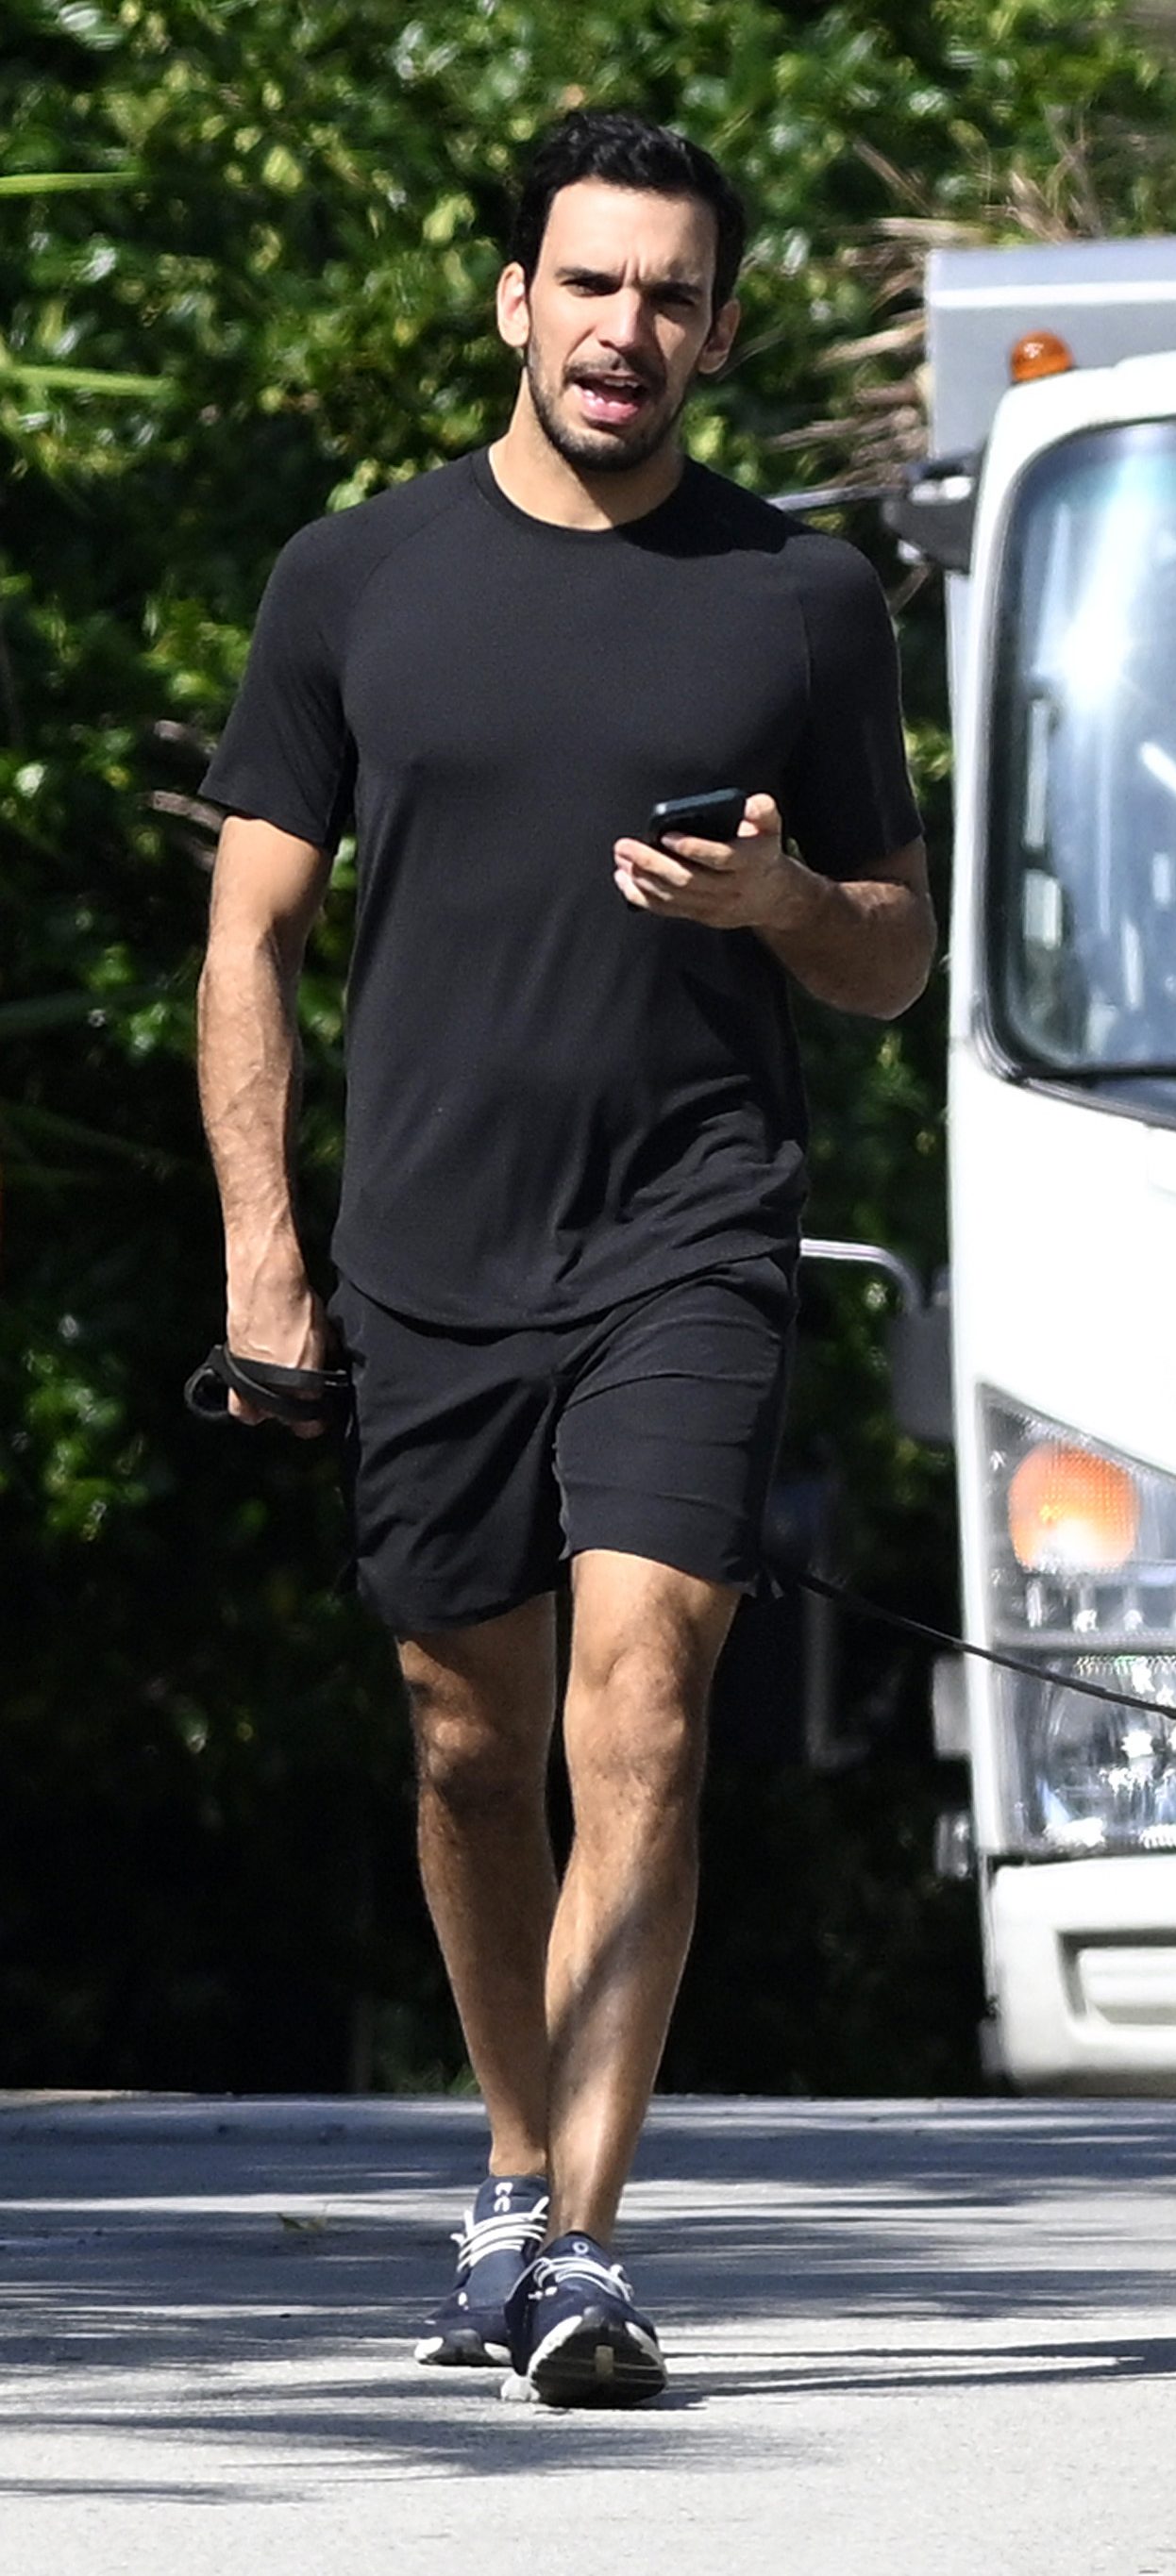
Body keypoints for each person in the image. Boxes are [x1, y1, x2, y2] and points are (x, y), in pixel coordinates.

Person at [194, 109, 933, 2409]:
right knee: (462, 1741)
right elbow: (250, 929)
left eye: (672, 293)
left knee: (643, 1708)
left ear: (719, 328)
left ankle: (590, 2249)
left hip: (687, 1235)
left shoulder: (798, 597)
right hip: (421, 1252)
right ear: (517, 300)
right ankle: (510, 2177)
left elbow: (891, 957)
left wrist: (788, 908)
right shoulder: (352, 580)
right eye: (589, 283)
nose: (628, 327)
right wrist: (262, 1253)